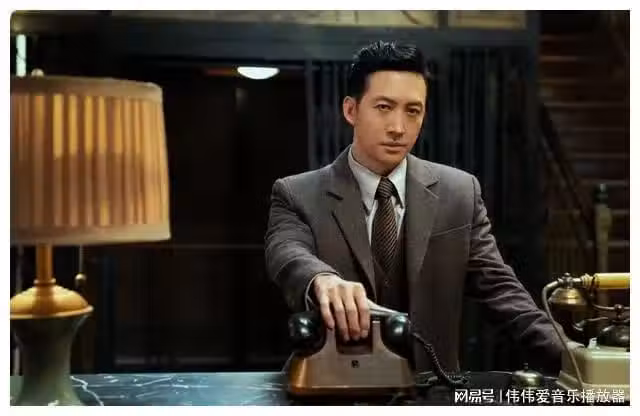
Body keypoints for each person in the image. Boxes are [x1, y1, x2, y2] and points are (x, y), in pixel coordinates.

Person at [265, 40, 563, 374]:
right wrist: (321, 279)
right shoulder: (297, 193)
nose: (398, 127)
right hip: (333, 383)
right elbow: (286, 253)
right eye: (383, 107)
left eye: (412, 111)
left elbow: (501, 290)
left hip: (432, 387)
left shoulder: (459, 193)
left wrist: (577, 360)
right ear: (351, 110)